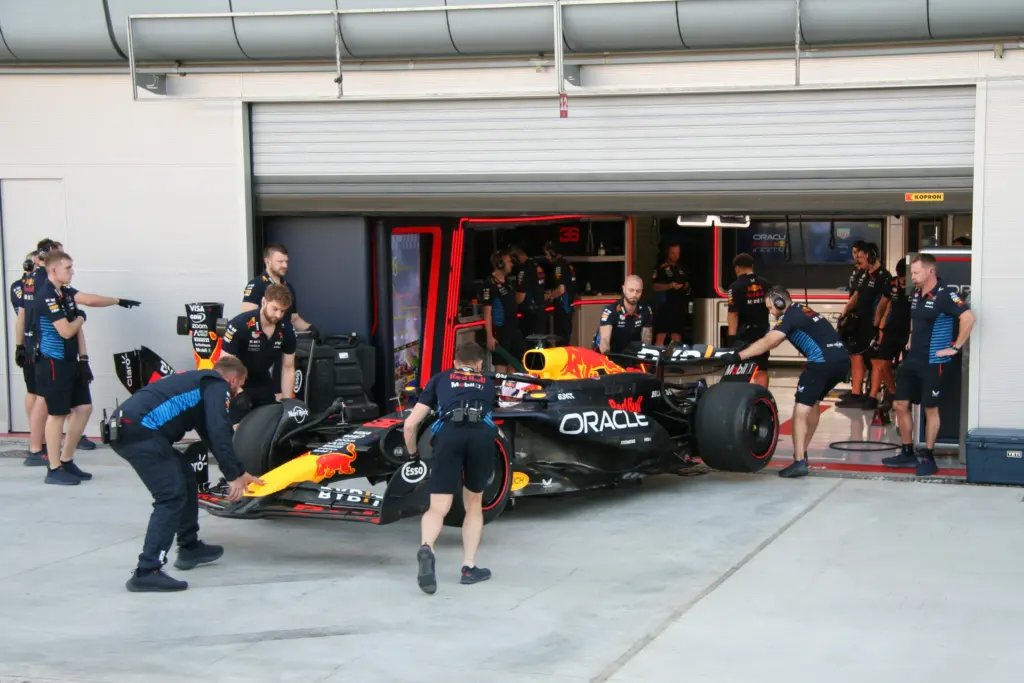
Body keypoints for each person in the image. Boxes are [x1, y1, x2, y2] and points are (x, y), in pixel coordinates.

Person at [109, 357, 263, 592]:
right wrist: (233, 476)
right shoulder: (216, 385)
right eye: (241, 384)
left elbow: (211, 435)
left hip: (134, 430)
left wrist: (238, 472)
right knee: (170, 497)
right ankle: (147, 570)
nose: (239, 391)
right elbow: (220, 429)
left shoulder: (199, 384)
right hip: (139, 433)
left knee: (186, 477)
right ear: (233, 379)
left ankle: (189, 548)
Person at [22, 239, 138, 466]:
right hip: (53, 362)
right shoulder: (46, 294)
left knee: (84, 408)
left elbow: (85, 309)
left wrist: (83, 359)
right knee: (57, 415)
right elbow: (66, 330)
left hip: (71, 361)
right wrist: (81, 318)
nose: (72, 272)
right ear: (53, 270)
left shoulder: (64, 293)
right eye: (68, 268)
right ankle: (54, 467)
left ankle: (67, 459)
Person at [402, 342, 497, 594]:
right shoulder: (488, 382)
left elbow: (410, 425)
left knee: (438, 507)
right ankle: (468, 567)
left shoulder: (440, 379)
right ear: (479, 365)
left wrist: (413, 455)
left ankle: (426, 547)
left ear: (454, 362)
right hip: (480, 437)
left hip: (449, 436)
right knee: (474, 502)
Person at [726, 287, 850, 478]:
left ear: (779, 302)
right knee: (813, 401)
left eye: (770, 308)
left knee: (800, 410)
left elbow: (770, 341)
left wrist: (739, 356)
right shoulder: (804, 310)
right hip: (841, 361)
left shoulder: (789, 317)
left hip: (821, 363)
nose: (770, 312)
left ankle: (799, 460)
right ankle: (803, 451)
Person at [882, 253, 976, 476]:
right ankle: (907, 451)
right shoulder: (915, 293)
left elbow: (969, 318)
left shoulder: (946, 294)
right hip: (912, 359)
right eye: (911, 272)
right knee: (900, 405)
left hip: (934, 361)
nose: (912, 277)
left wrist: (955, 347)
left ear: (930, 271)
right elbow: (918, 321)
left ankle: (929, 455)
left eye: (916, 272)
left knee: (930, 408)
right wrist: (910, 340)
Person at [222, 283, 297, 423]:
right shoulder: (239, 324)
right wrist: (237, 392)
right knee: (236, 431)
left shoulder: (286, 330)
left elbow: (288, 367)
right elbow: (225, 366)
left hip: (263, 383)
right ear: (264, 301)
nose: (278, 315)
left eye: (283, 311)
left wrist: (287, 401)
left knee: (269, 427)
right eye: (275, 309)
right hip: (238, 385)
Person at [837, 242, 891, 409]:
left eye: (861, 257)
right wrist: (844, 312)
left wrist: (879, 325)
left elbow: (887, 303)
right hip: (858, 322)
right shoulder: (863, 274)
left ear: (871, 256)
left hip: (873, 325)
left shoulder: (884, 276)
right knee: (855, 356)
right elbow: (857, 295)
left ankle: (873, 396)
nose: (857, 260)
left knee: (875, 361)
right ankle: (856, 393)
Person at [242, 243, 318, 338]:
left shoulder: (287, 287)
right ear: (267, 261)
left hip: (285, 341)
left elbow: (294, 319)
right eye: (280, 261)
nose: (285, 265)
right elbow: (247, 318)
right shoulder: (256, 285)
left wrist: (310, 329)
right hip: (264, 342)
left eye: (286, 261)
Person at [725, 253, 773, 388]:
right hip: (762, 332)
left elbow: (733, 314)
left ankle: (743, 397)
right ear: (752, 266)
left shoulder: (735, 287)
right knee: (762, 368)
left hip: (744, 334)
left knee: (740, 368)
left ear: (737, 268)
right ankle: (763, 397)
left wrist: (732, 338)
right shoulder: (766, 284)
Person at [868, 258, 911, 410]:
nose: (903, 281)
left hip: (910, 331)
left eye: (906, 278)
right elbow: (881, 306)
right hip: (891, 329)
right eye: (901, 278)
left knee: (907, 367)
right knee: (881, 363)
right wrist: (877, 327)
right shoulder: (891, 284)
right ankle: (892, 392)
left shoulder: (919, 286)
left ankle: (908, 397)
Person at [481, 250, 526, 372]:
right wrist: (489, 336)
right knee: (501, 368)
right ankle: (500, 390)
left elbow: (518, 300)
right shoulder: (489, 284)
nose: (511, 264)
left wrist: (522, 285)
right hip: (501, 332)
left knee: (516, 364)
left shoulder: (509, 283)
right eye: (508, 261)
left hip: (514, 330)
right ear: (500, 264)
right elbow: (487, 311)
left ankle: (514, 390)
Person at [596, 274, 653, 355]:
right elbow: (604, 343)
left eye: (638, 291)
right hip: (613, 357)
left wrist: (644, 362)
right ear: (623, 289)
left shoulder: (645, 310)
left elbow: (647, 342)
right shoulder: (611, 310)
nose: (634, 294)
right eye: (631, 290)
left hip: (634, 358)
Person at [651, 243, 693, 345]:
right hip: (664, 306)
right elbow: (655, 287)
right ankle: (656, 359)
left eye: (677, 253)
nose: (676, 255)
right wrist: (670, 286)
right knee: (661, 335)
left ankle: (676, 358)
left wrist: (686, 286)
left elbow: (687, 285)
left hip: (678, 306)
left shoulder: (681, 268)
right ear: (667, 253)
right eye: (673, 253)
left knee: (676, 336)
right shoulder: (661, 268)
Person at [542, 242, 578, 346]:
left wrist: (549, 296)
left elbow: (561, 289)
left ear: (553, 253)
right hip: (569, 308)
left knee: (561, 342)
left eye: (547, 254)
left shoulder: (558, 267)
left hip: (562, 309)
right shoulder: (569, 266)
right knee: (566, 340)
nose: (546, 257)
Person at [509, 245, 548, 339]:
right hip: (541, 311)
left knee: (529, 346)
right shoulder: (538, 267)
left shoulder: (523, 270)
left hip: (529, 316)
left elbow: (520, 297)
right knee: (540, 344)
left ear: (516, 258)